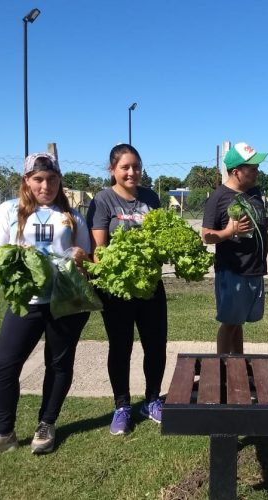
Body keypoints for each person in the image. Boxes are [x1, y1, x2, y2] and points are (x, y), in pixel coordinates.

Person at [0, 152, 92, 459]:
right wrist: (22, 261)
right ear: (27, 181)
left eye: (51, 179)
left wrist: (79, 257)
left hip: (65, 302)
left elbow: (86, 258)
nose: (45, 185)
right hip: (28, 302)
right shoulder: (9, 211)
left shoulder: (72, 216)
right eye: (38, 179)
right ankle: (3, 432)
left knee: (59, 364)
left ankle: (46, 425)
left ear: (59, 180)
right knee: (4, 364)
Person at [87, 144, 167, 436]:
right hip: (117, 290)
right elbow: (99, 251)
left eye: (136, 166)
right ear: (113, 170)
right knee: (120, 347)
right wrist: (117, 271)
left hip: (151, 287)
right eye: (125, 167)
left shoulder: (150, 198)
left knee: (155, 345)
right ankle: (122, 406)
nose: (132, 172)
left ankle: (152, 400)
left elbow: (162, 235)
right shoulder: (103, 200)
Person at [201, 142, 268, 354]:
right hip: (232, 271)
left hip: (254, 269)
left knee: (239, 323)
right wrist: (230, 232)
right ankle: (222, 368)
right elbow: (206, 236)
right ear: (236, 172)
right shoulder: (219, 198)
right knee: (229, 323)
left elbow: (261, 225)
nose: (258, 172)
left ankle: (237, 366)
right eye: (253, 168)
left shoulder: (254, 193)